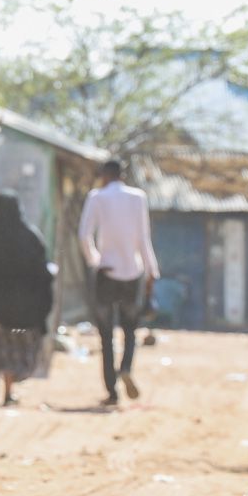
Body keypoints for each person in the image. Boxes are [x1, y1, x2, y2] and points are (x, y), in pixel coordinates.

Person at [78, 159, 158, 405]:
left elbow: (83, 235)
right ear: (122, 175)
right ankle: (126, 368)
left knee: (106, 335)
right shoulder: (138, 198)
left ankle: (112, 391)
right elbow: (143, 238)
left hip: (107, 272)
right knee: (130, 331)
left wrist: (95, 260)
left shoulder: (97, 197)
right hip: (132, 272)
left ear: (104, 175)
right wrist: (151, 270)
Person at [0, 193, 54, 407]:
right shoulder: (29, 236)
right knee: (11, 349)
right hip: (19, 310)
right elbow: (42, 270)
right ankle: (7, 392)